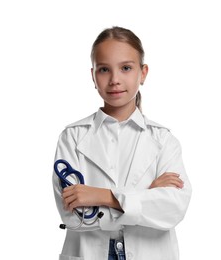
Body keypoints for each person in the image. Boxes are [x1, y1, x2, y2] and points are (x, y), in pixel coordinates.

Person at [53, 26, 192, 260]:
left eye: (126, 68)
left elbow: (172, 209)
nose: (115, 79)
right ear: (93, 76)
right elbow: (73, 217)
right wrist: (146, 195)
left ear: (143, 73)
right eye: (104, 69)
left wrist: (104, 197)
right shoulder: (73, 136)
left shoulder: (164, 140)